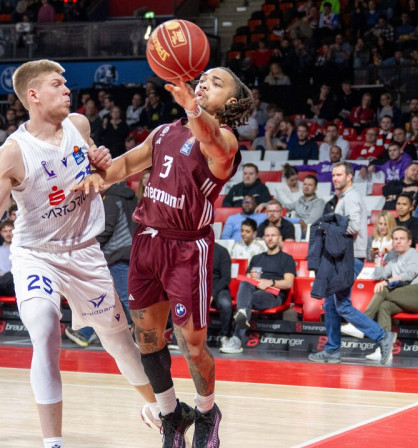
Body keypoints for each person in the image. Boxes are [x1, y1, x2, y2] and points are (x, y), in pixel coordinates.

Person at [0, 60, 159, 448]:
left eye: (66, 84)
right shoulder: (13, 153)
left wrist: (99, 163)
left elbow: (96, 174)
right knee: (44, 328)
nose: (67, 89)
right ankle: (52, 443)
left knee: (119, 340)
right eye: (58, 84)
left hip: (85, 251)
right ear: (33, 95)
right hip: (36, 253)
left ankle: (158, 408)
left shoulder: (80, 126)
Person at [72, 65, 254, 447]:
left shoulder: (226, 142)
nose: (204, 83)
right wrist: (98, 176)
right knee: (148, 339)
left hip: (188, 248)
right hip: (147, 242)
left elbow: (210, 141)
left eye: (216, 83)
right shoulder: (163, 133)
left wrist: (192, 108)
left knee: (192, 345)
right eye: (203, 78)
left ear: (231, 102)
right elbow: (124, 165)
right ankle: (172, 415)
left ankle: (207, 412)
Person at [308, 162, 393, 365]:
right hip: (345, 258)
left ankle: (382, 336)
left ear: (349, 177)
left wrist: (328, 228)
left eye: (339, 175)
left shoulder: (352, 198)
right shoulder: (345, 198)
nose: (335, 178)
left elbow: (353, 227)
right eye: (333, 175)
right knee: (330, 303)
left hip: (350, 259)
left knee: (342, 306)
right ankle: (332, 350)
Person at [65, 181, 138, 347]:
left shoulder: (111, 198)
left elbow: (105, 229)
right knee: (110, 298)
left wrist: (88, 247)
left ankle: (145, 338)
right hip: (132, 253)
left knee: (123, 299)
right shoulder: (131, 197)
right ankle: (85, 332)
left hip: (117, 255)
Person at [345, 227, 418, 362]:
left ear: (409, 242)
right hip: (405, 296)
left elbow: (408, 275)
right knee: (385, 306)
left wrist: (387, 282)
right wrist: (380, 256)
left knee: (384, 290)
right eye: (395, 239)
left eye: (402, 239)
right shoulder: (393, 258)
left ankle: (361, 326)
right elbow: (378, 274)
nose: (398, 242)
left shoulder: (414, 254)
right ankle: (383, 349)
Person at [227, 224, 295, 354]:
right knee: (245, 284)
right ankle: (242, 315)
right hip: (255, 288)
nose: (270, 238)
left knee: (246, 302)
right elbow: (248, 278)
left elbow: (288, 283)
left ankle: (237, 336)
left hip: (273, 294)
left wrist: (271, 282)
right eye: (267, 235)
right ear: (263, 238)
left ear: (279, 238)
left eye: (273, 235)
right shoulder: (257, 258)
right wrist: (251, 277)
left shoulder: (287, 259)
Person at [211, 244, 235, 355]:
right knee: (177, 299)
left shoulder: (222, 251)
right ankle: (179, 338)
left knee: (226, 304)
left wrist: (212, 294)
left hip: (218, 288)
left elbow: (226, 278)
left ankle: (226, 336)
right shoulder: (192, 249)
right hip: (197, 288)